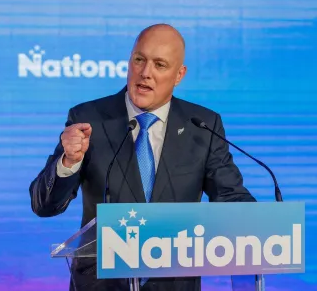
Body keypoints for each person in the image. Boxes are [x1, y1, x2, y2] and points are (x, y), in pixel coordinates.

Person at [29, 23, 256, 291]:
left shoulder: (203, 125)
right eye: (139, 60)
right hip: (102, 284)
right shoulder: (88, 119)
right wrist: (68, 162)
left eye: (160, 65)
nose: (145, 73)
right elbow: (44, 206)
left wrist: (266, 225)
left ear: (179, 74)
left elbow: (230, 197)